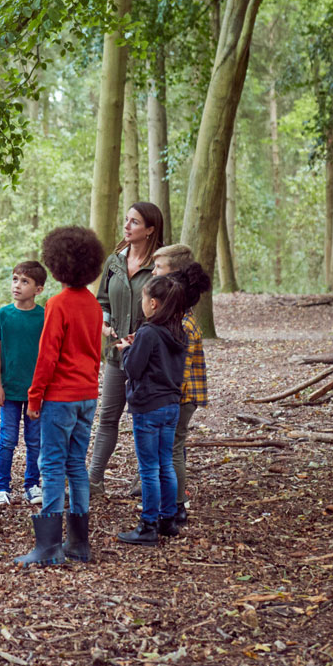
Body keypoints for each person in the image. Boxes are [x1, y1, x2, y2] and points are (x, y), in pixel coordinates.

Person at [15, 227, 107, 567]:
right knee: (76, 466)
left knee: (51, 465)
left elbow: (47, 356)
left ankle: (49, 546)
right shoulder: (94, 306)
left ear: (56, 266)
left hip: (60, 398)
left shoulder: (57, 304)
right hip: (87, 396)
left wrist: (35, 397)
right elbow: (95, 353)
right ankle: (79, 544)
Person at [88, 202, 166, 498]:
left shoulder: (161, 264)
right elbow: (102, 300)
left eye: (135, 222)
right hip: (116, 354)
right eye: (126, 220)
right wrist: (105, 324)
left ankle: (145, 480)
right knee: (108, 416)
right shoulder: (114, 261)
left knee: (145, 419)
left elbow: (170, 307)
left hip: (150, 356)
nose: (127, 226)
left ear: (150, 230)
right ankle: (94, 480)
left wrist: (146, 333)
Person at [112, 273, 194, 546]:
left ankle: (148, 525)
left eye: (144, 298)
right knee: (166, 463)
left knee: (149, 468)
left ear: (155, 304)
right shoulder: (178, 332)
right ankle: (168, 519)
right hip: (171, 405)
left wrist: (125, 350)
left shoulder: (149, 332)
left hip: (149, 406)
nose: (142, 303)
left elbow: (134, 369)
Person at [150, 245, 212, 525]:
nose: (153, 272)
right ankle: (172, 500)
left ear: (173, 276)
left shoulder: (183, 325)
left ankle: (177, 506)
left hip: (180, 396)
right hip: (179, 396)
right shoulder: (178, 319)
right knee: (172, 448)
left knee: (173, 449)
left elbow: (179, 371)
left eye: (159, 268)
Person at [0, 261, 48, 507]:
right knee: (7, 439)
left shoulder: (44, 316)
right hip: (9, 389)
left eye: (25, 281)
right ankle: (2, 488)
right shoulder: (3, 315)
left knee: (35, 440)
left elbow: (49, 353)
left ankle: (32, 485)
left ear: (38, 289)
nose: (17, 285)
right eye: (15, 279)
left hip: (36, 391)